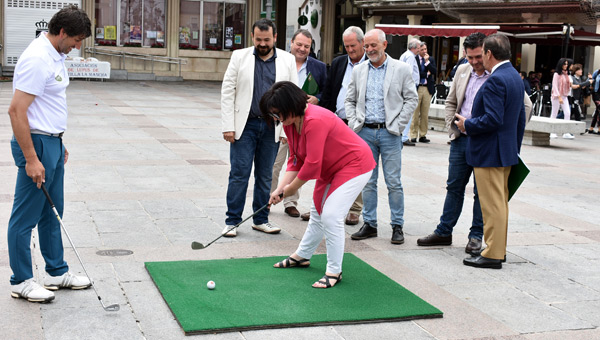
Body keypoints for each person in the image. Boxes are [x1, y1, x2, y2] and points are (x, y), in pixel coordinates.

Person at [7, 5, 92, 303]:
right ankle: (21, 280)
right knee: (25, 216)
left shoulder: (56, 55)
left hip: (52, 142)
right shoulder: (37, 58)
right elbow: (17, 111)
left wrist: (59, 141)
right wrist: (32, 158)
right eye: (76, 39)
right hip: (36, 145)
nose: (78, 46)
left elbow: (47, 103)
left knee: (52, 212)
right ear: (62, 32)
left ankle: (56, 271)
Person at [266, 82, 375, 288]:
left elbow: (312, 164)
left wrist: (289, 190)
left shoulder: (315, 119)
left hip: (355, 164)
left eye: (278, 113)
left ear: (291, 107)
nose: (277, 119)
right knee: (317, 211)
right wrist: (281, 188)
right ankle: (302, 256)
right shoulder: (289, 123)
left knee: (331, 215)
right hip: (330, 166)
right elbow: (295, 160)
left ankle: (334, 271)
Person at [454, 34, 526, 269]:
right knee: (500, 203)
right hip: (503, 150)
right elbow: (519, 118)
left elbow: (493, 119)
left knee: (492, 205)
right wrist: (514, 147)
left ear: (488, 54)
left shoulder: (496, 79)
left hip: (489, 152)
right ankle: (497, 249)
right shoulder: (514, 76)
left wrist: (467, 124)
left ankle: (493, 253)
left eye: (481, 53)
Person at [221, 18, 297, 237]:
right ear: (252, 37)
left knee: (265, 176)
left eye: (267, 39)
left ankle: (261, 219)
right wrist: (228, 126)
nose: (262, 43)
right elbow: (228, 91)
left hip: (272, 126)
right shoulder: (239, 56)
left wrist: (286, 131)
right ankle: (232, 221)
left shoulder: (288, 60)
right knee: (239, 174)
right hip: (244, 126)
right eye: (258, 39)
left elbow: (293, 96)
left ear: (275, 37)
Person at [346, 29, 418, 244]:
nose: (369, 50)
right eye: (366, 46)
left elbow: (411, 100)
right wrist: (354, 122)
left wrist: (397, 125)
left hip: (390, 133)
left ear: (384, 45)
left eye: (373, 45)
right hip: (365, 132)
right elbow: (349, 100)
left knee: (394, 182)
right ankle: (370, 224)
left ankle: (397, 225)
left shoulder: (401, 69)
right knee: (368, 181)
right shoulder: (358, 70)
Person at [271, 29, 327, 218]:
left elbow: (327, 92)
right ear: (291, 42)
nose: (302, 49)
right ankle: (269, 199)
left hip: (305, 121)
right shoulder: (278, 61)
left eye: (307, 46)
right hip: (281, 121)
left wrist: (317, 99)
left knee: (298, 161)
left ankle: (290, 202)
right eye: (299, 44)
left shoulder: (319, 67)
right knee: (274, 164)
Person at [318, 26, 367, 225]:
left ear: (362, 43)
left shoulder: (370, 64)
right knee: (330, 165)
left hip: (358, 123)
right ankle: (325, 204)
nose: (350, 50)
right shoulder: (339, 62)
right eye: (346, 46)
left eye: (353, 46)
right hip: (336, 122)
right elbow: (329, 92)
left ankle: (354, 209)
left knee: (355, 167)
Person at [410, 41, 437, 143]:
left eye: (425, 49)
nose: (424, 51)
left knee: (425, 114)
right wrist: (426, 74)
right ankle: (413, 135)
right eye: (422, 50)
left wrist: (427, 62)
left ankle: (423, 135)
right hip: (417, 88)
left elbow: (434, 71)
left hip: (427, 88)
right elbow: (415, 73)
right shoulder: (415, 59)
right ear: (418, 50)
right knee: (415, 113)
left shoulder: (430, 59)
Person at [399, 38, 421, 147]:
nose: (419, 50)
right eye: (418, 48)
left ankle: (402, 135)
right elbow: (409, 72)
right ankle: (403, 136)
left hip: (404, 86)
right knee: (409, 111)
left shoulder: (404, 55)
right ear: (413, 47)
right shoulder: (411, 57)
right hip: (409, 87)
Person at [550, 58, 575, 139]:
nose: (566, 66)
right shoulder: (556, 74)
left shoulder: (566, 74)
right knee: (554, 113)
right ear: (561, 64)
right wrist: (559, 97)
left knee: (567, 113)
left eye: (567, 64)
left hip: (564, 95)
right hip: (556, 96)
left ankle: (566, 132)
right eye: (564, 64)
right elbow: (555, 86)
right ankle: (552, 131)